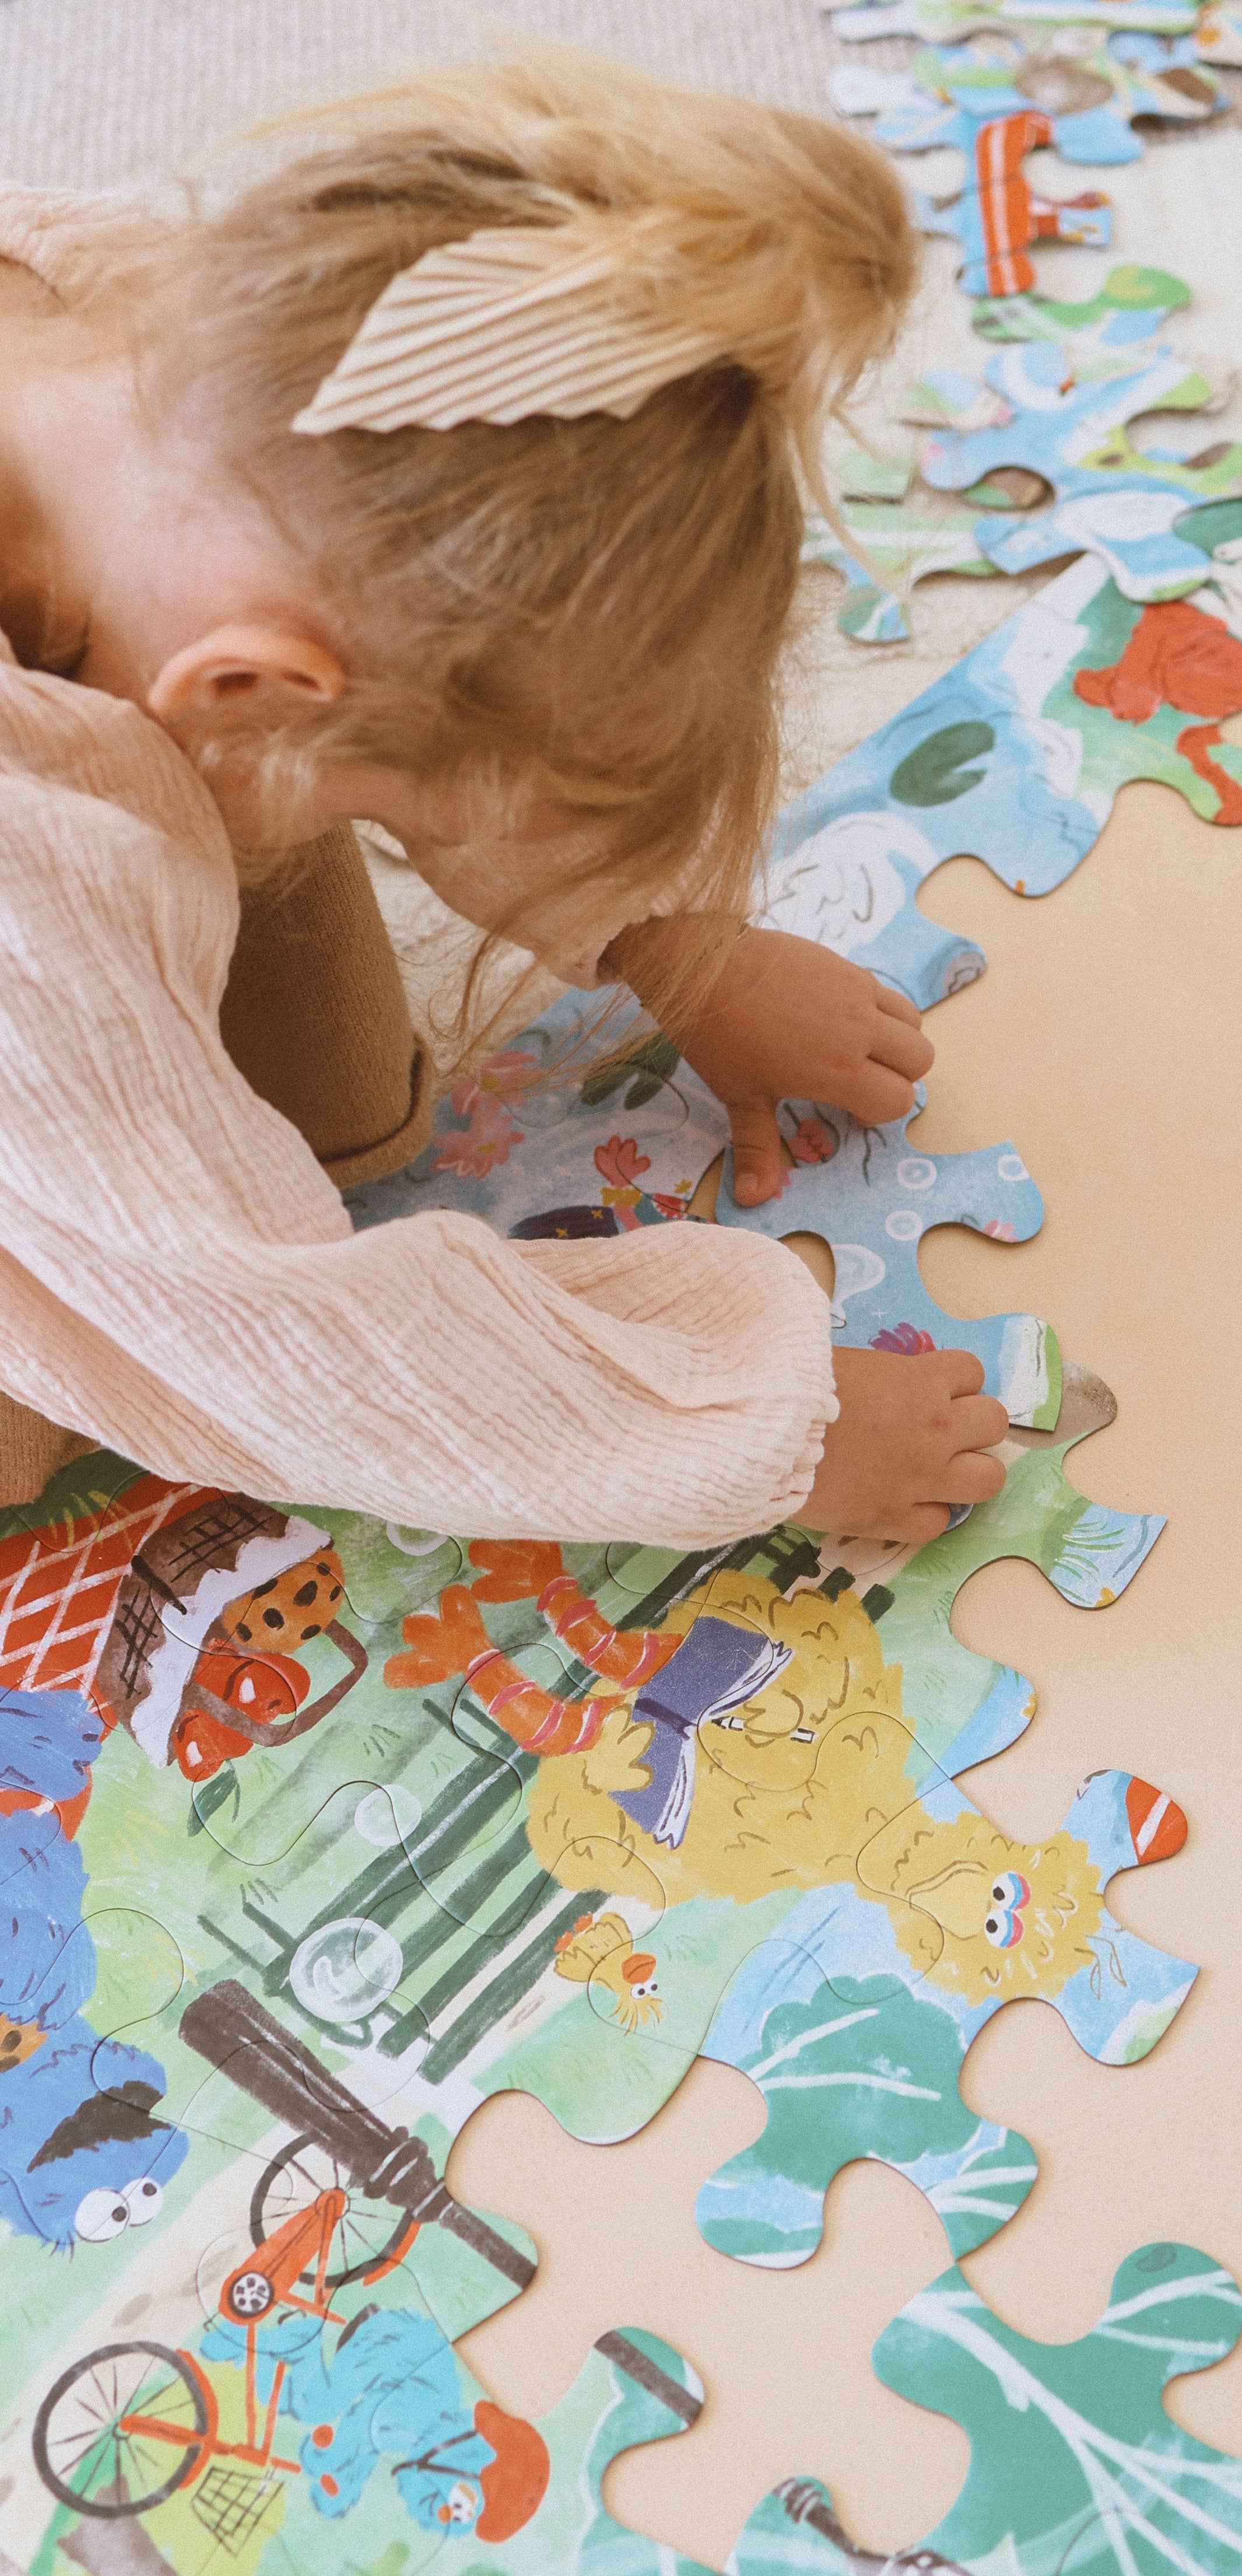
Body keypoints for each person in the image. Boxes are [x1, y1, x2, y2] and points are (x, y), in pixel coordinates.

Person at [0, 46, 1010, 1549]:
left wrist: (679, 941)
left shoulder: (152, 325)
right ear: (245, 693)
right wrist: (755, 1430)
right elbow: (267, 1332)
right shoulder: (35, 871)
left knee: (331, 1049)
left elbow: (456, 623)